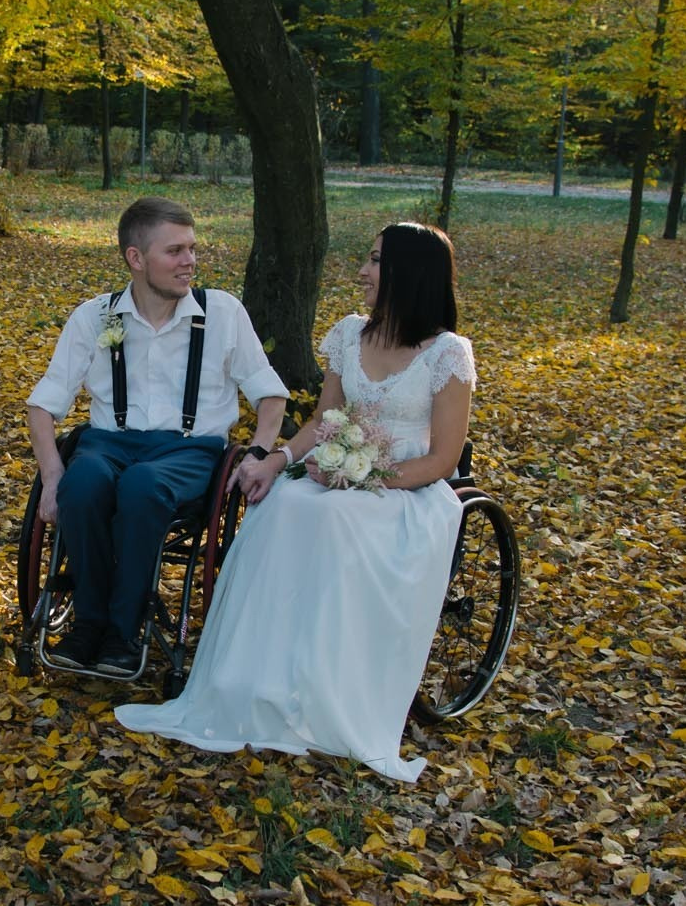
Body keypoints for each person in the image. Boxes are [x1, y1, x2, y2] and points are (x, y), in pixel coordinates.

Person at [115, 222, 475, 783]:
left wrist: (367, 479)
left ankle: (326, 690)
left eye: (376, 261)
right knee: (283, 507)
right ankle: (257, 682)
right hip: (341, 474)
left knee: (332, 516)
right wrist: (277, 461)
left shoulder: (448, 355)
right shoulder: (350, 334)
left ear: (408, 273)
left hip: (406, 491)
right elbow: (322, 422)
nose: (363, 271)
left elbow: (443, 459)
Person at [27, 197, 289, 675]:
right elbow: (43, 405)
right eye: (175, 251)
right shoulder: (95, 317)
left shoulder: (223, 313)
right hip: (107, 445)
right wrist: (51, 476)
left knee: (143, 485)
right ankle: (87, 624)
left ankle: (124, 632)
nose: (190, 261)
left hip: (189, 452)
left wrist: (257, 452)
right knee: (80, 485)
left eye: (192, 249)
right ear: (135, 258)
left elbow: (271, 397)